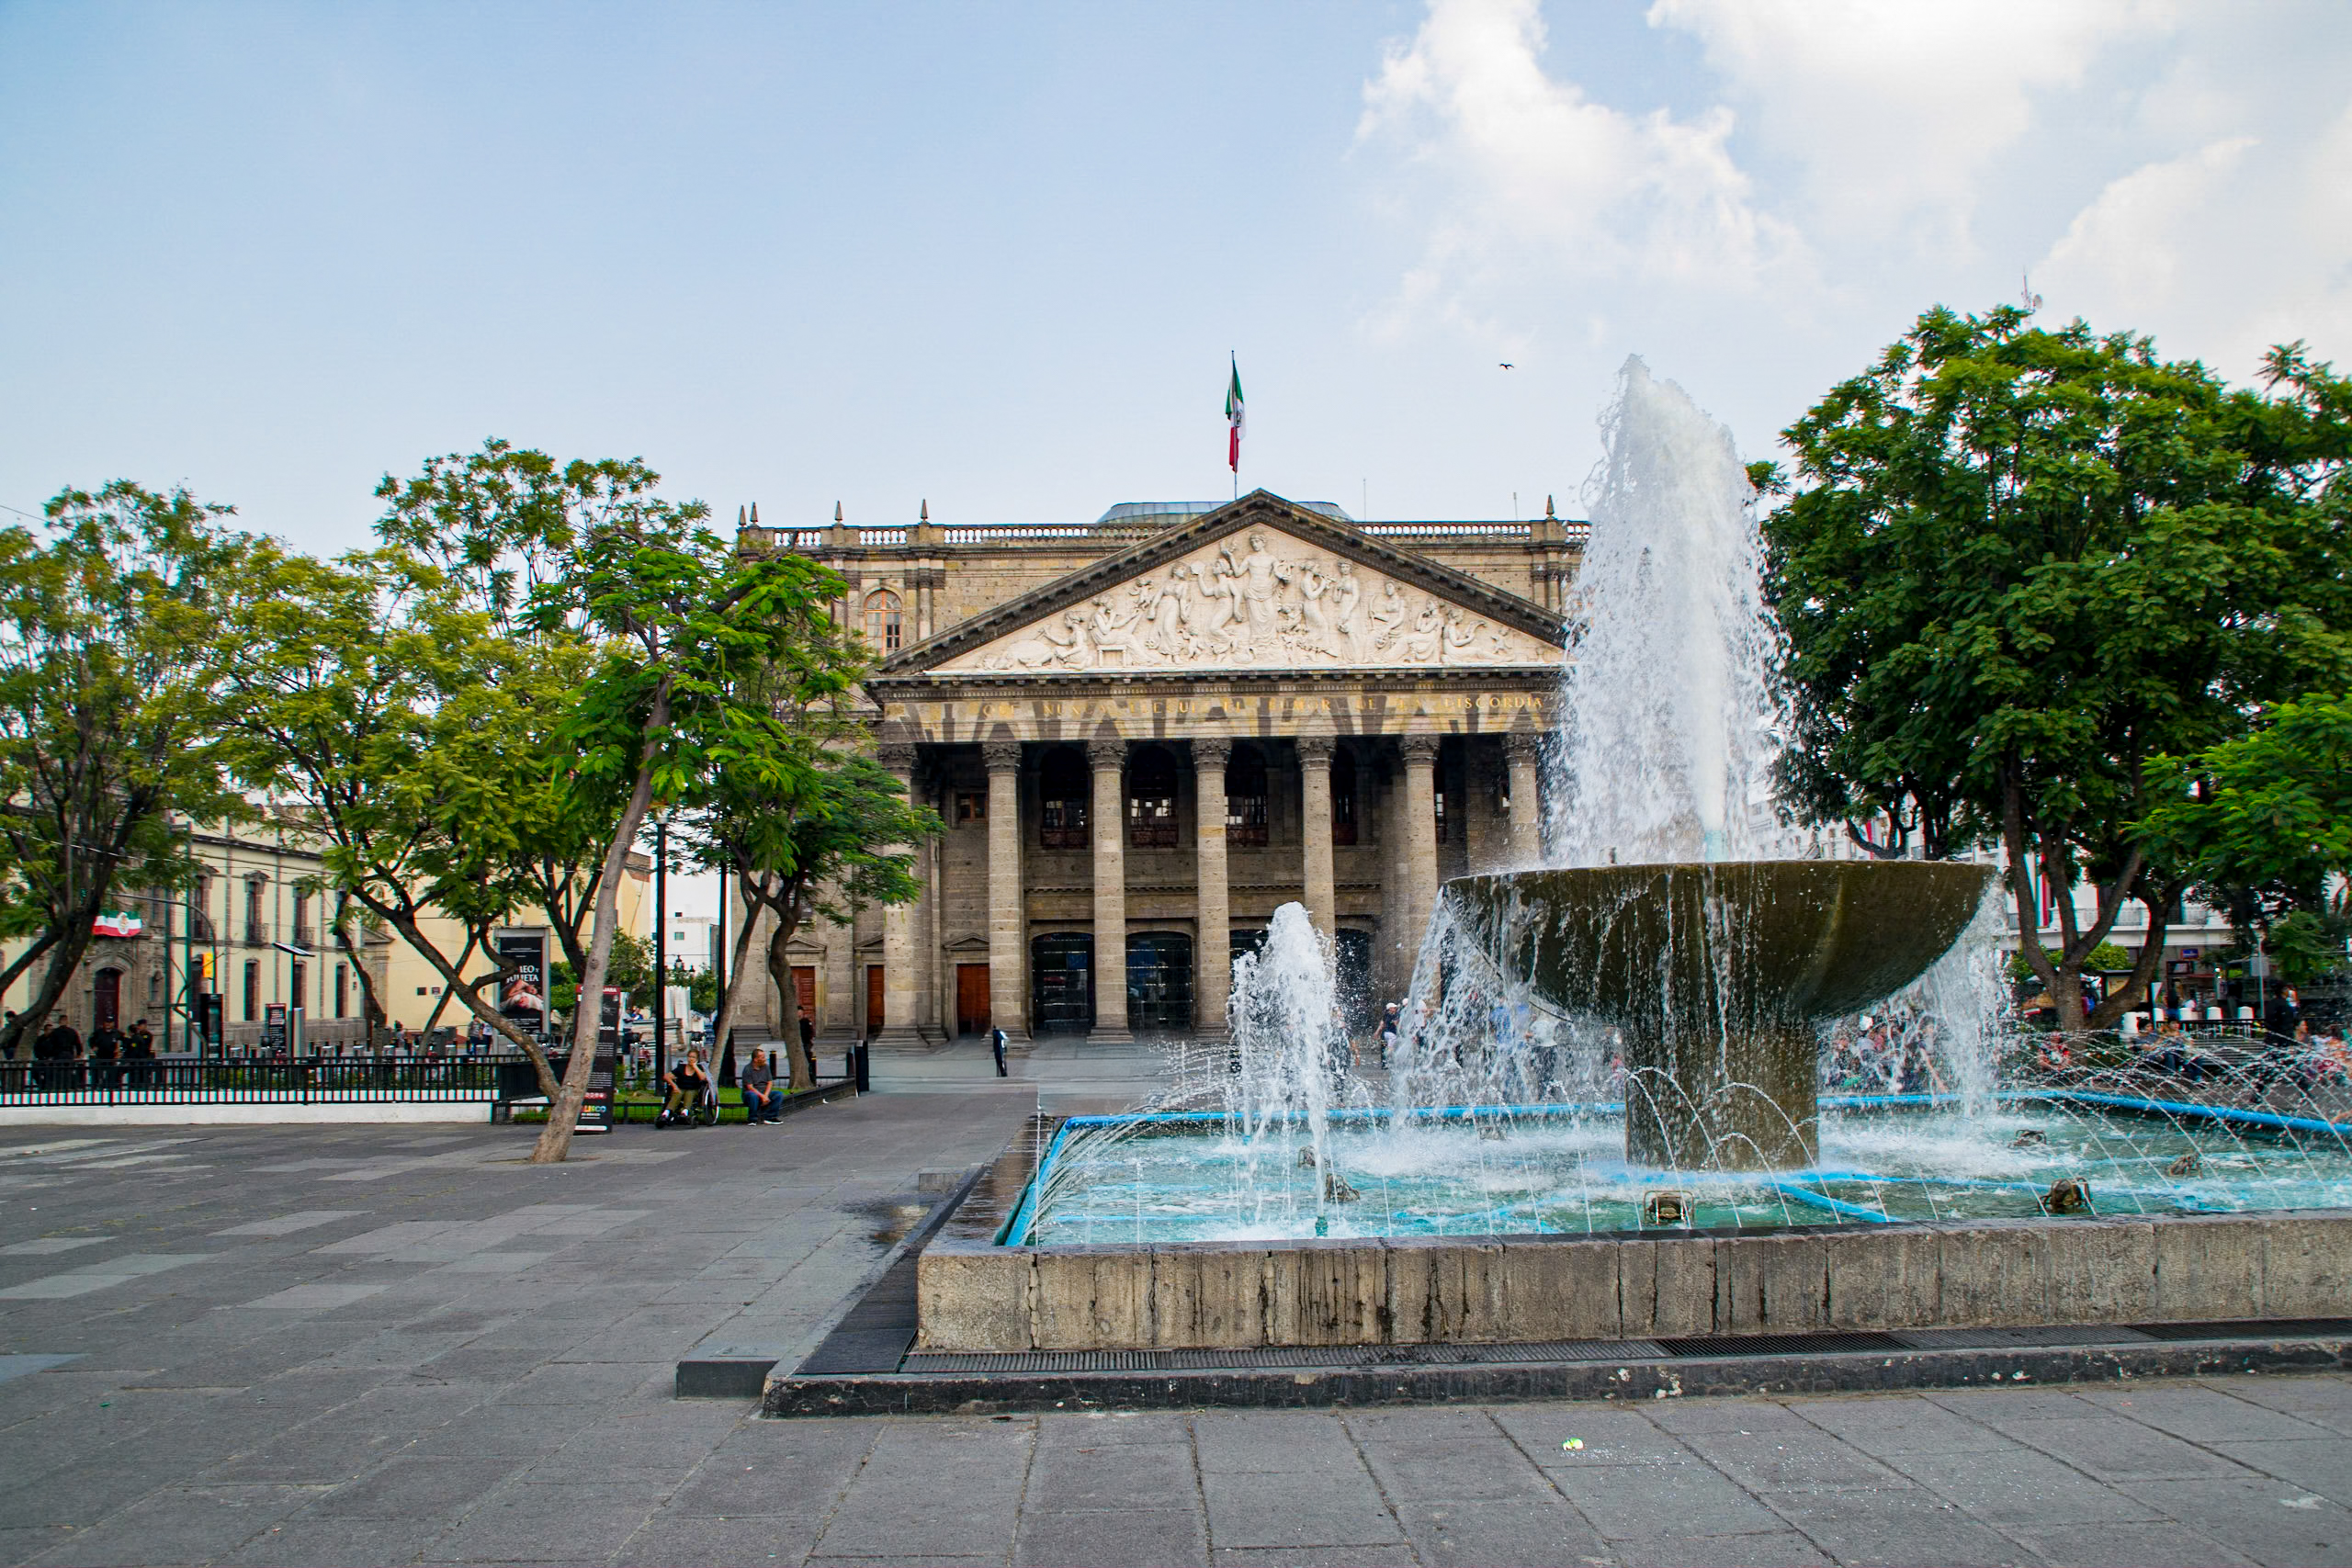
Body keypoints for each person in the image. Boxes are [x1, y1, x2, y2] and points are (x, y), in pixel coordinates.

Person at [661, 1046, 711, 1127]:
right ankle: (666, 1113)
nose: (691, 1059)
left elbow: (702, 1078)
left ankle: (685, 1111)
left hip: (693, 1089)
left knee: (689, 1093)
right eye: (689, 1057)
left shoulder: (700, 1068)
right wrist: (674, 1086)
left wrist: (695, 1066)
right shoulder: (681, 1068)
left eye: (693, 1057)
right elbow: (666, 1077)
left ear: (697, 1059)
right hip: (680, 1088)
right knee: (678, 1093)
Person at [740, 1048, 781, 1123]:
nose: (765, 1059)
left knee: (778, 1094)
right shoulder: (748, 1069)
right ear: (755, 1059)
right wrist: (762, 1097)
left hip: (764, 1092)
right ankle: (752, 1119)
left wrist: (766, 1095)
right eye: (762, 1057)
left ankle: (770, 1117)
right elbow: (750, 1087)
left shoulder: (766, 1067)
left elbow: (770, 1082)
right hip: (751, 1093)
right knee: (753, 1096)